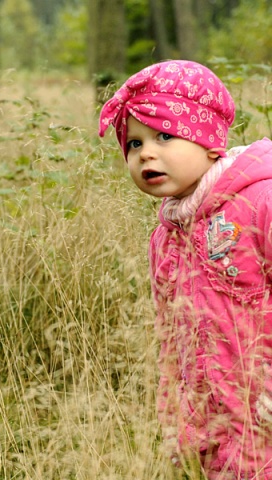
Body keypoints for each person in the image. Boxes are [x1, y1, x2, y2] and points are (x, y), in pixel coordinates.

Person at [99, 59, 272, 479]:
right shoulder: (165, 239)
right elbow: (171, 337)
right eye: (134, 144)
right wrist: (175, 417)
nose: (146, 154)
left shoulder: (260, 202)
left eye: (163, 135)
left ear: (209, 141)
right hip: (212, 433)